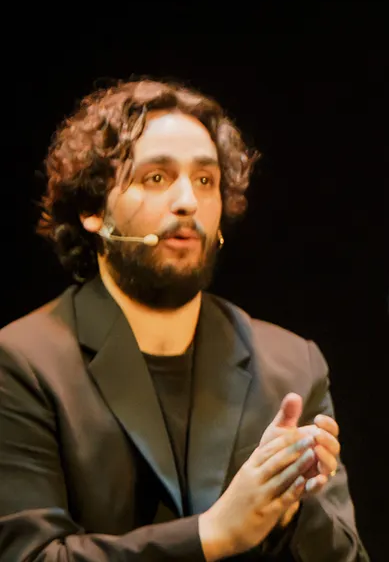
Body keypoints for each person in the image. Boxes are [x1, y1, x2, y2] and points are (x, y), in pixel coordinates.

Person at [0, 80, 366, 560]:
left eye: (205, 181)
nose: (187, 202)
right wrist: (211, 534)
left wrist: (296, 508)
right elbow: (30, 556)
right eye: (156, 178)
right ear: (92, 209)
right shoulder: (24, 361)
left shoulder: (292, 366)